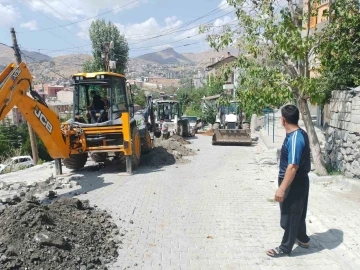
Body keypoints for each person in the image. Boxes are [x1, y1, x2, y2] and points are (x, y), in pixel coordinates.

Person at [266, 104, 311, 258]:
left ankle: (285, 248)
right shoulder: (298, 134)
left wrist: (282, 189)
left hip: (294, 182)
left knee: (289, 216)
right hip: (299, 181)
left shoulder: (295, 138)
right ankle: (303, 239)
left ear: (283, 120)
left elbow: (292, 166)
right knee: (299, 212)